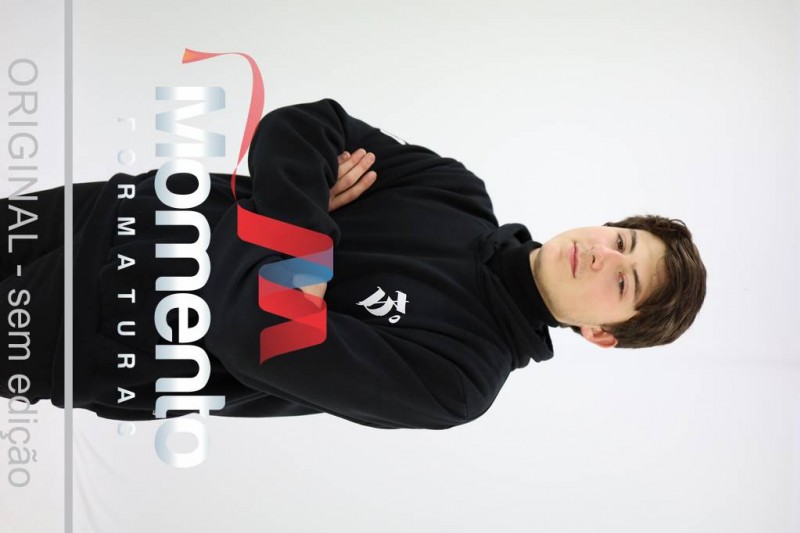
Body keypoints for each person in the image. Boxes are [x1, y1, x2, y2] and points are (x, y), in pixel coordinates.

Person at [0, 99, 706, 429]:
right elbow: (300, 126)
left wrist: (300, 208)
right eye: (621, 239)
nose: (602, 254)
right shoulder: (455, 192)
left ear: (601, 334)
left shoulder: (459, 378)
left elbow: (257, 339)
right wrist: (306, 261)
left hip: (101, 333)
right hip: (117, 210)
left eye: (623, 281)